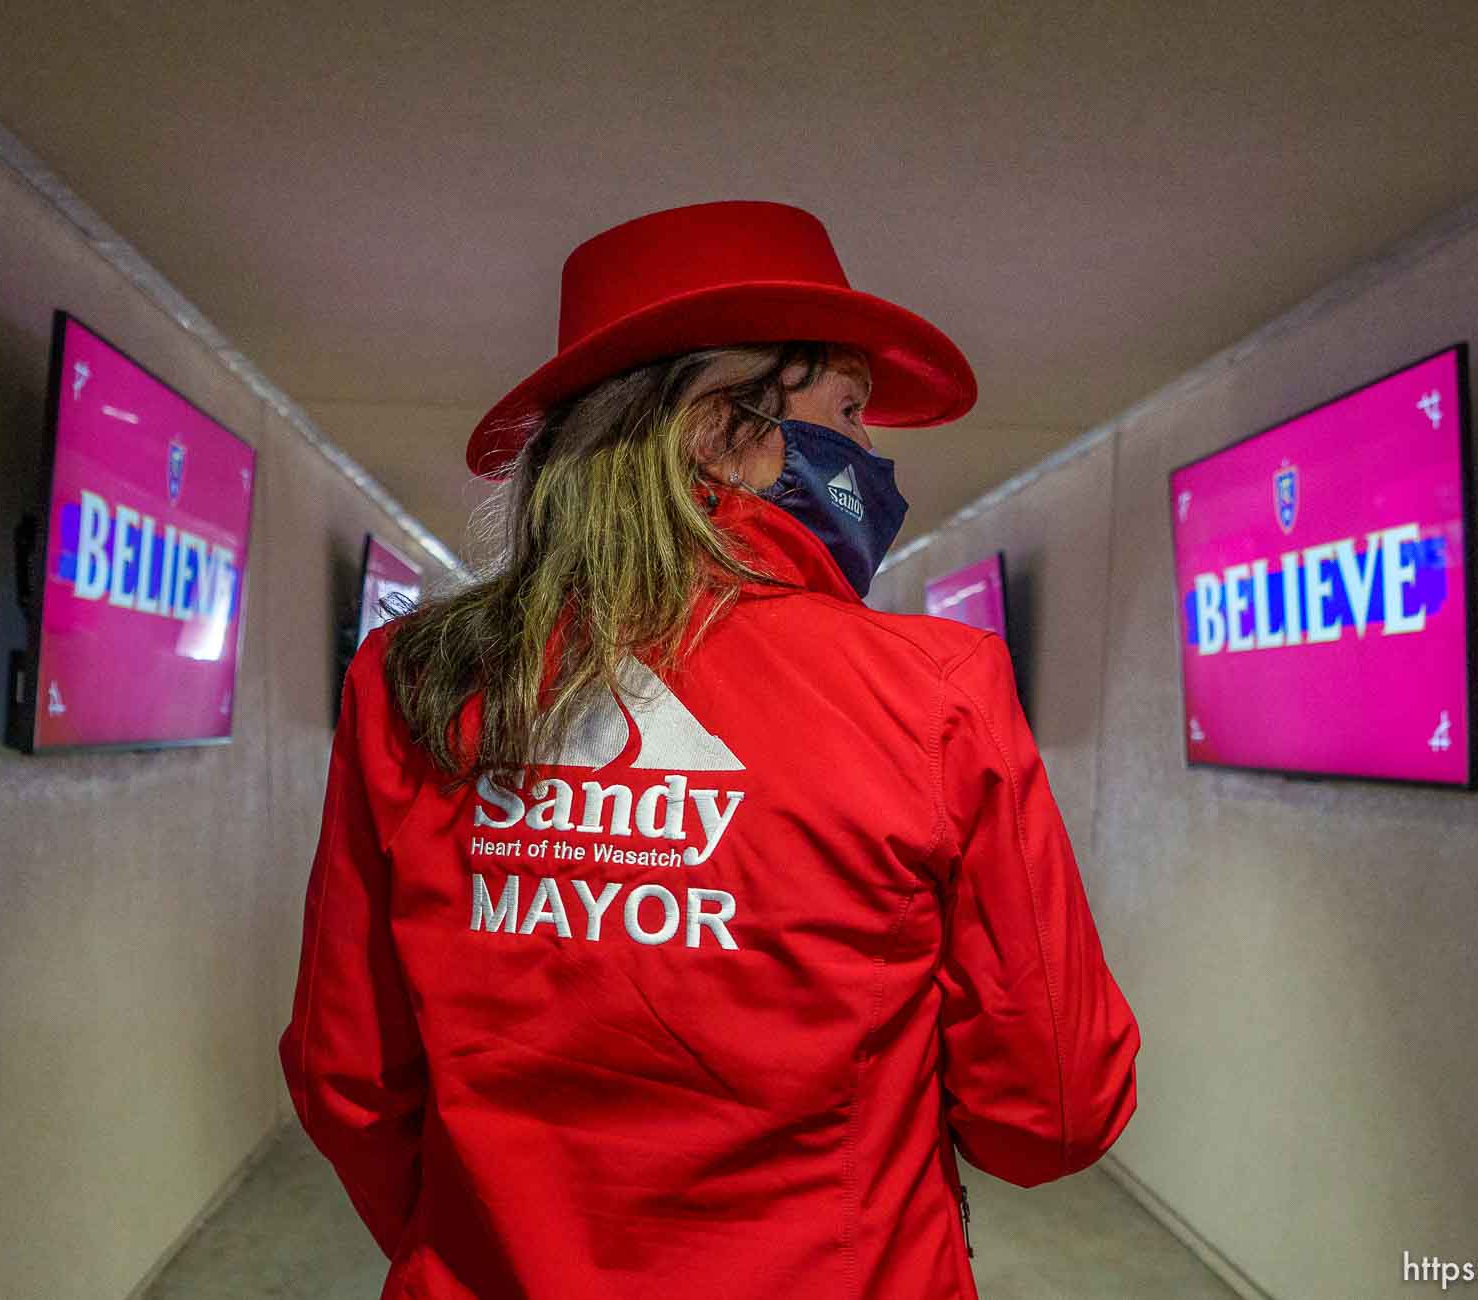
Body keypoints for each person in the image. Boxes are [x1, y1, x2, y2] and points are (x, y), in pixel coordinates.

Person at [279, 199, 1140, 1300]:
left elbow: (347, 1077)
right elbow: (1054, 1113)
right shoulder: (937, 694)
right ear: (715, 419)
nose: (871, 456)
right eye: (848, 409)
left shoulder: (410, 678)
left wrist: (505, 1239)